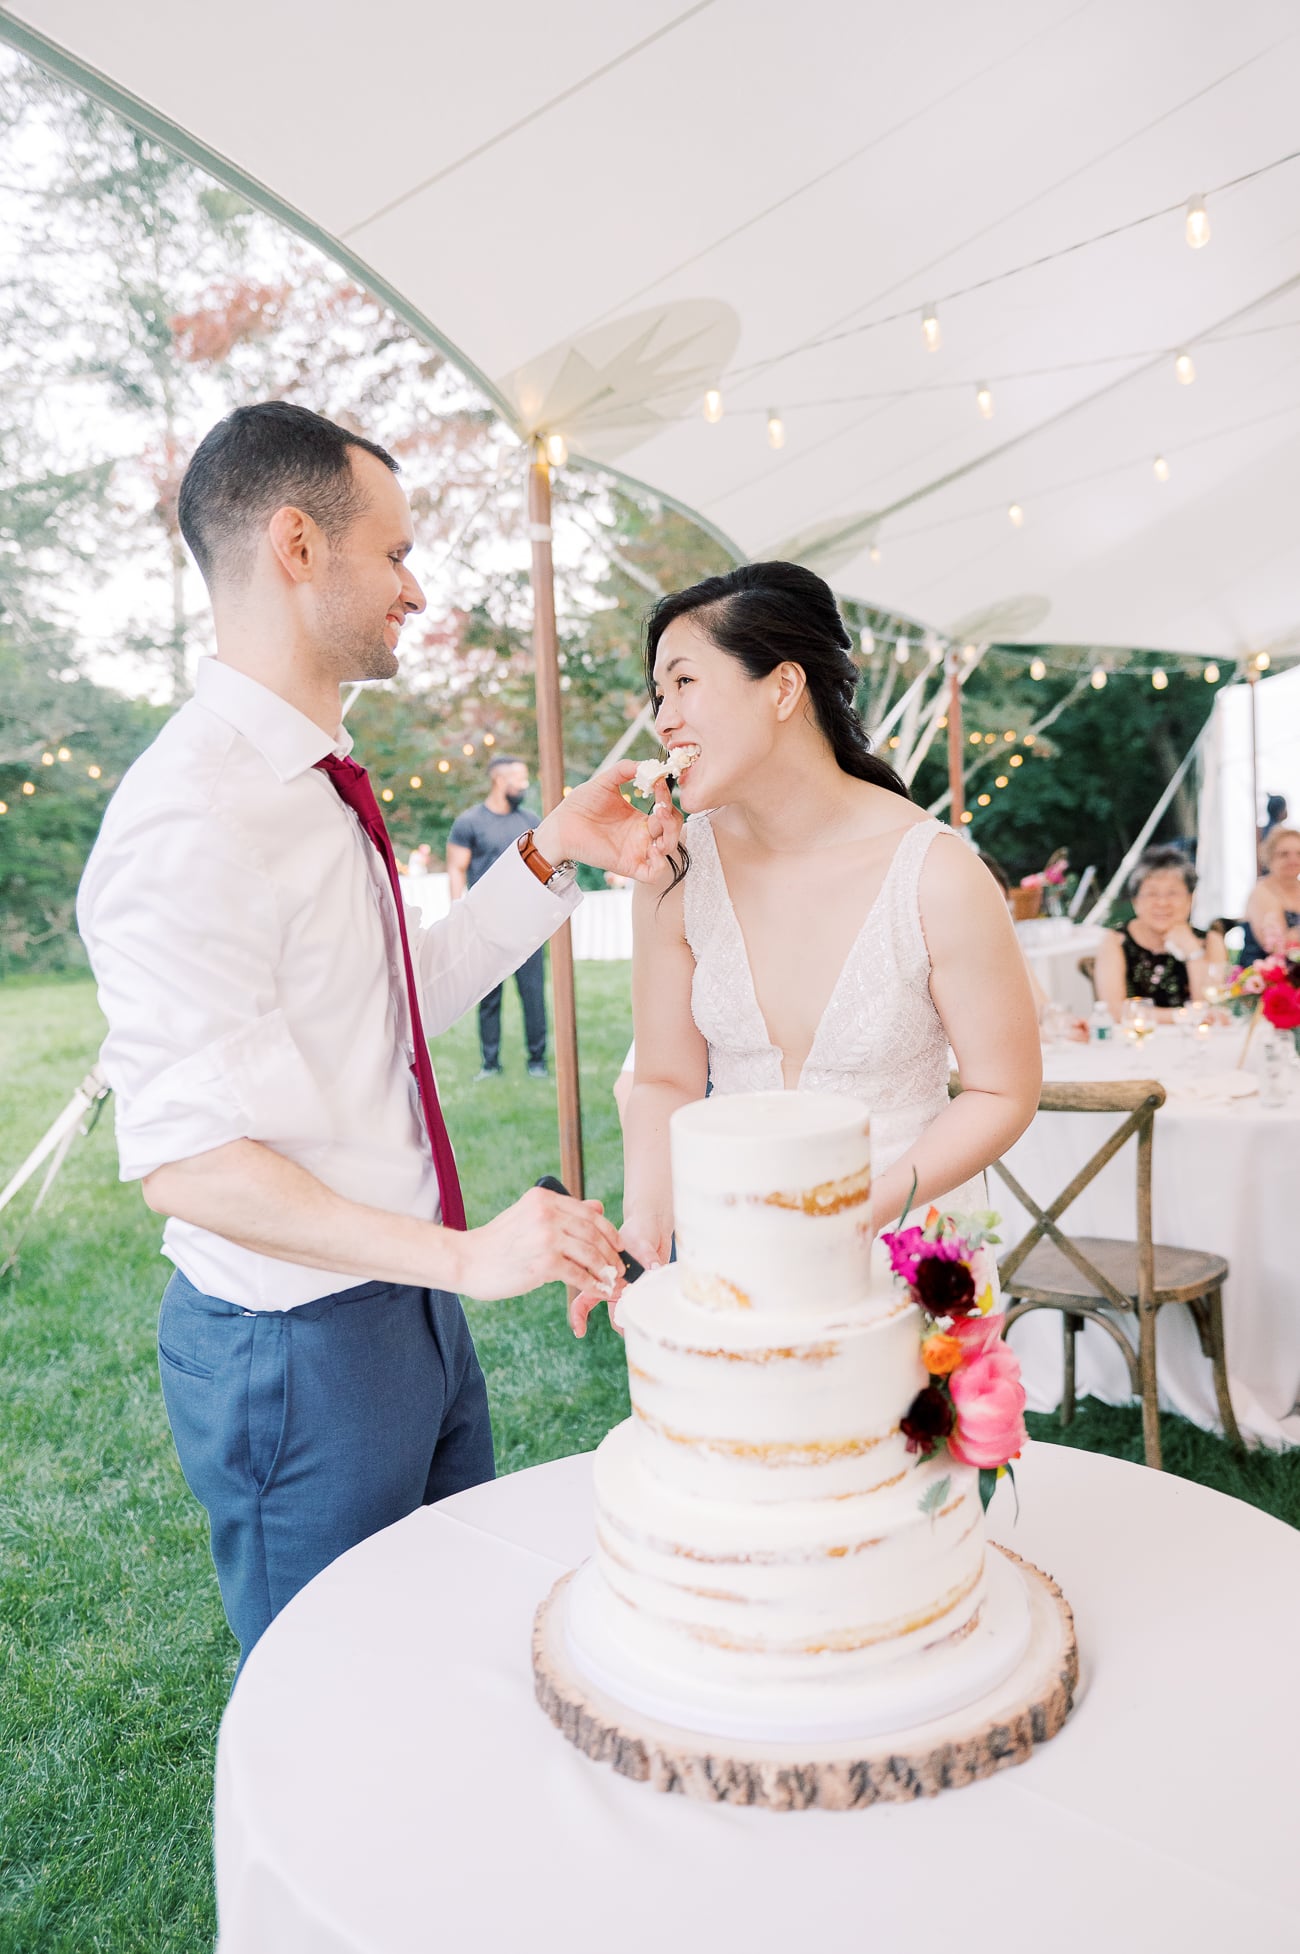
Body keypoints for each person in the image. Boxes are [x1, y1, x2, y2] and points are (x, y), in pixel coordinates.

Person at [75, 402, 679, 1669]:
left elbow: (391, 1013)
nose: (416, 589)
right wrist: (460, 1259)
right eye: (395, 554)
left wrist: (552, 849)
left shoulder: (313, 780)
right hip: (299, 1351)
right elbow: (186, 1162)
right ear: (298, 546)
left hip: (403, 1304)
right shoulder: (189, 817)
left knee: (451, 1650)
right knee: (336, 1691)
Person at [570, 561, 1041, 1332]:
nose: (664, 720)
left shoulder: (938, 873)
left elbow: (1002, 1093)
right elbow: (663, 1078)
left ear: (784, 688)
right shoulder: (673, 868)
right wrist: (648, 1223)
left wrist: (857, 1212)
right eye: (660, 694)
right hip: (738, 1253)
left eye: (685, 683)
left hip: (909, 1253)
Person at [447, 757, 549, 1079]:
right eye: (519, 779)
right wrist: (457, 913)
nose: (525, 785)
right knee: (488, 996)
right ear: (499, 780)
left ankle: (538, 1062)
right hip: (486, 924)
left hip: (528, 922)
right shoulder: (469, 822)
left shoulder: (530, 819)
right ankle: (490, 1064)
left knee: (533, 995)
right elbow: (456, 868)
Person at [1094, 846, 1225, 1021]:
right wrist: (1184, 1016)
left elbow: (1212, 1007)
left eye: (1173, 893)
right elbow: (1115, 1010)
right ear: (1135, 902)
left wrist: (1193, 953)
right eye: (1151, 894)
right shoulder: (1115, 941)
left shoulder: (1210, 941)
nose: (1162, 903)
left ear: (1190, 899)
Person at [1243, 826, 1300, 961]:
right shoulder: (1261, 892)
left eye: (1299, 853)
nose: (1293, 860)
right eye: (1284, 854)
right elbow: (1277, 945)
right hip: (1264, 973)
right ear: (1270, 857)